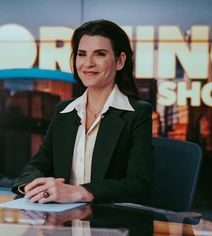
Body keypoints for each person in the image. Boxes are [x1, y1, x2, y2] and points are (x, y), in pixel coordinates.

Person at [12, 19, 154, 204]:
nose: (88, 63)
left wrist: (80, 192)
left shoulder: (137, 113)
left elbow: (140, 185)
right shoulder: (64, 111)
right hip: (62, 224)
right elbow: (37, 165)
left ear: (120, 61)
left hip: (109, 225)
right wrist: (31, 186)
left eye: (100, 54)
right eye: (81, 54)